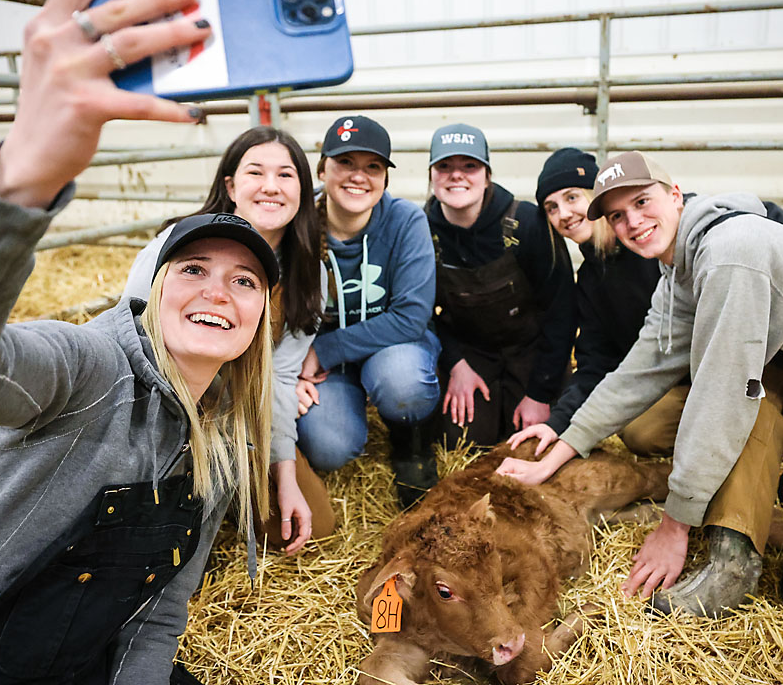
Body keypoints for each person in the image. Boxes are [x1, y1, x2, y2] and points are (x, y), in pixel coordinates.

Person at [0, 0, 275, 683]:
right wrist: (18, 186)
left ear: (258, 321)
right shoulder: (88, 367)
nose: (219, 290)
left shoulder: (223, 442)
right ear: (151, 291)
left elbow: (158, 612)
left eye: (244, 281)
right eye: (192, 269)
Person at [501, 150, 783, 637]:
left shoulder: (729, 254)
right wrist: (566, 444)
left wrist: (675, 526)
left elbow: (723, 393)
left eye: (642, 201)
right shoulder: (679, 268)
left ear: (675, 194)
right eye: (618, 215)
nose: (633, 221)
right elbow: (641, 367)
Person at [529, 147, 783, 616]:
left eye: (572, 197)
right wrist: (563, 432)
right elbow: (618, 366)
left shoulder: (699, 239)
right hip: (695, 374)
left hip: (772, 361)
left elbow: (730, 376)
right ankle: (704, 478)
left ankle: (734, 555)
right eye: (551, 207)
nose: (565, 214)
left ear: (673, 196)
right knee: (642, 430)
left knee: (744, 402)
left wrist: (676, 523)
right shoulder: (613, 272)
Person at [124, 126, 334, 555]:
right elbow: (131, 334)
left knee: (310, 523)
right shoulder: (176, 244)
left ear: (303, 190)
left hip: (236, 415)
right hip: (159, 405)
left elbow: (279, 373)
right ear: (230, 186)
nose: (271, 187)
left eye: (287, 175)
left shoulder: (309, 273)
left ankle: (228, 482)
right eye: (255, 172)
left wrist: (284, 473)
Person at [295, 115, 440, 508]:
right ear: (322, 169)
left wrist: (322, 351)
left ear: (385, 179)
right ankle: (346, 405)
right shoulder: (297, 224)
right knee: (329, 448)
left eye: (372, 167)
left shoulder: (406, 221)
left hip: (391, 347)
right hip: (326, 366)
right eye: (345, 163)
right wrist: (286, 372)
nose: (358, 176)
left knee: (403, 386)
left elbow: (411, 316)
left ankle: (412, 445)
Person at [424, 124, 575, 450]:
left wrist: (540, 392)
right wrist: (455, 365)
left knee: (529, 441)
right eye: (445, 167)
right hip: (471, 353)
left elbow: (561, 311)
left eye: (470, 166)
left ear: (487, 175)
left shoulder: (528, 224)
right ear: (432, 175)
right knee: (461, 442)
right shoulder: (420, 232)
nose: (456, 176)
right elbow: (422, 314)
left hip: (532, 351)